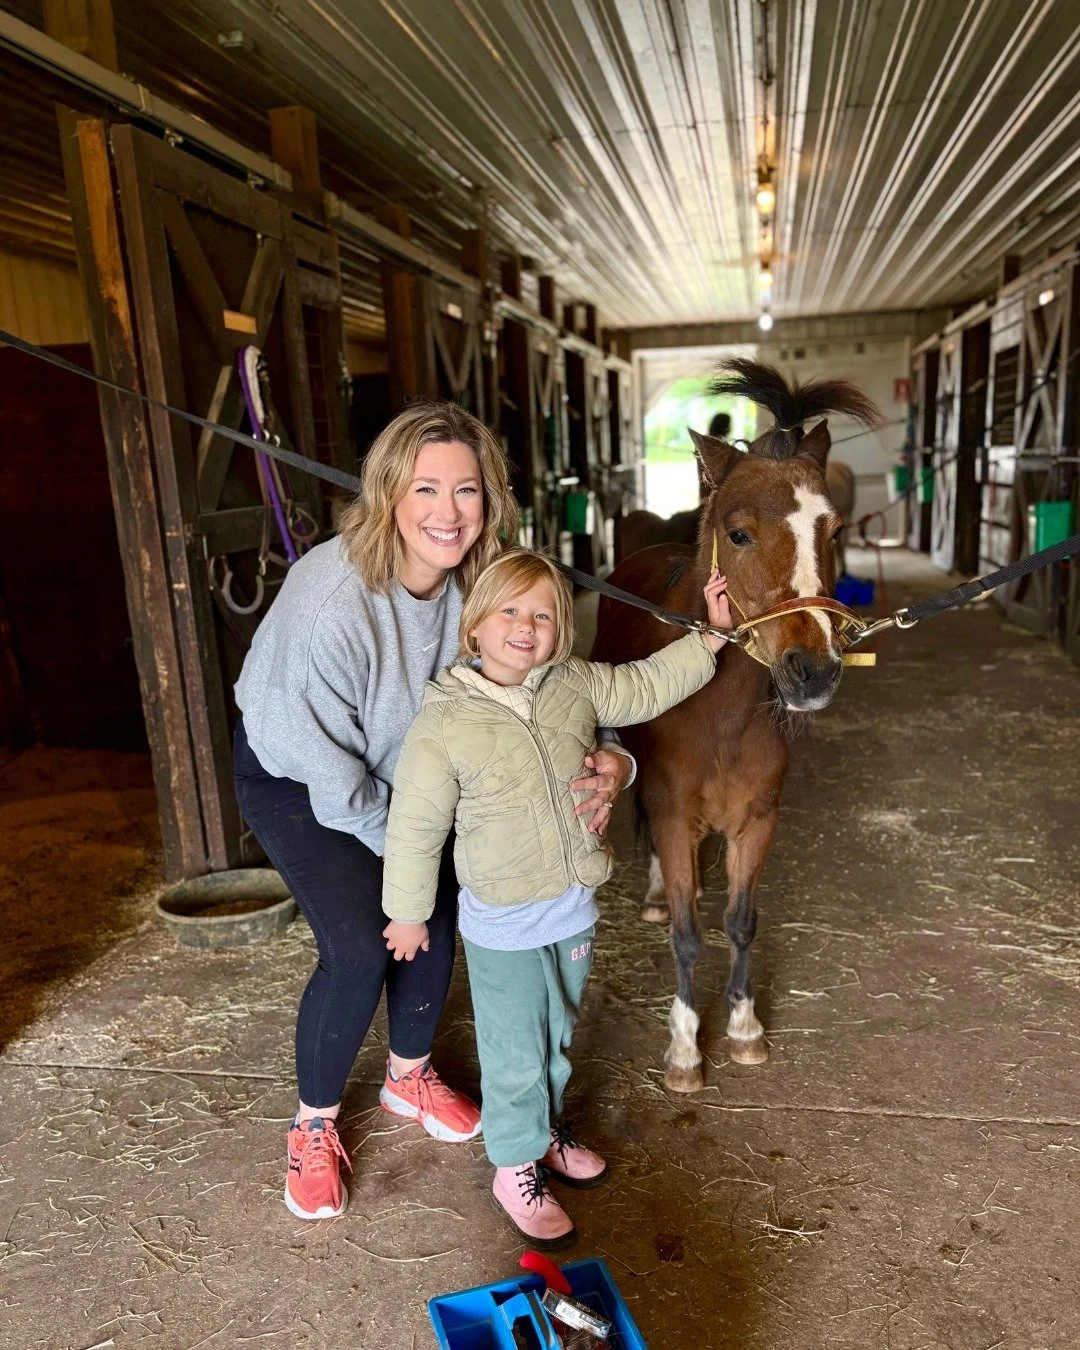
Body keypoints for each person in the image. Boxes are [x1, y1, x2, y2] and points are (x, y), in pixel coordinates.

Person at [232, 404, 634, 1222]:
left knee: (447, 907)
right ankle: (311, 1127)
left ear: (490, 500)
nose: (447, 512)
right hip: (302, 774)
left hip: (411, 776)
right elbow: (327, 770)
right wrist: (416, 853)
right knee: (360, 941)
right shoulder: (332, 600)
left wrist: (617, 754)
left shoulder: (483, 588)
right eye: (425, 488)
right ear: (388, 493)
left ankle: (407, 1075)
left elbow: (557, 676)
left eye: (466, 489)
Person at [381, 549, 732, 1248]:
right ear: (474, 625)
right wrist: (408, 910)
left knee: (559, 1032)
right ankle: (513, 1165)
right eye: (509, 610)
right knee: (513, 1049)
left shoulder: (574, 684)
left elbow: (647, 684)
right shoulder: (445, 721)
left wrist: (712, 636)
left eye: (543, 613)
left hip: (569, 902)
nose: (526, 626)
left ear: (562, 630)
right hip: (502, 917)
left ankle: (542, 1131)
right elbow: (415, 823)